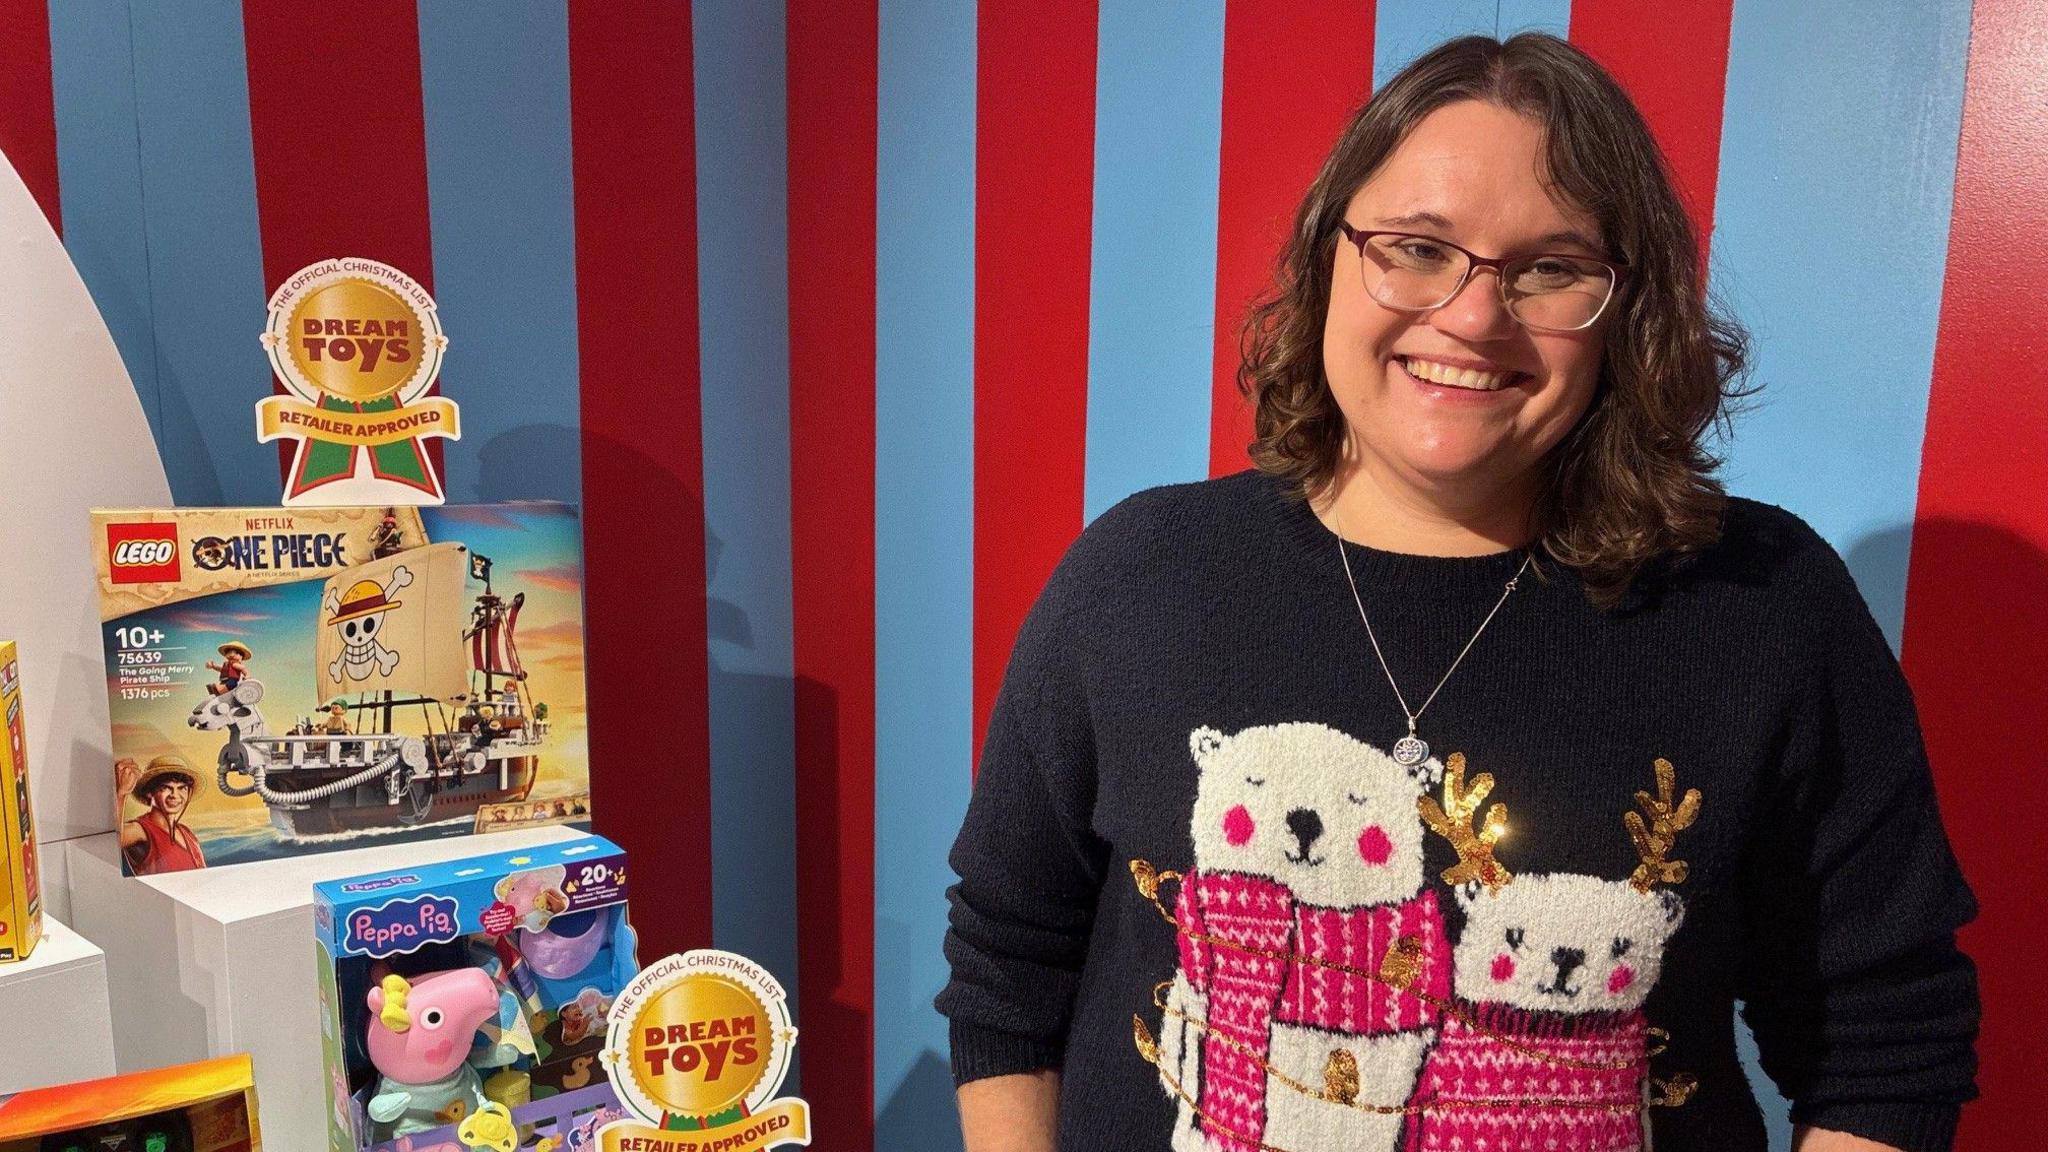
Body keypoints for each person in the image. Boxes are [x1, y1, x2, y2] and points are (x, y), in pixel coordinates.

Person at [938, 33, 1977, 1152]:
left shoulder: (1760, 606)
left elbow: (1883, 1039)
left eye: (1551, 268)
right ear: (1328, 256)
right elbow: (1009, 959)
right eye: (1417, 247)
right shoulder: (1138, 578)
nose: (1473, 318)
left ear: (1625, 313)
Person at [116, 755, 208, 874]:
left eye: (182, 788)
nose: (175, 795)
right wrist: (121, 794)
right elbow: (111, 842)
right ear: (149, 792)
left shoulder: (187, 833)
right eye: (166, 788)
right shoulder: (140, 830)